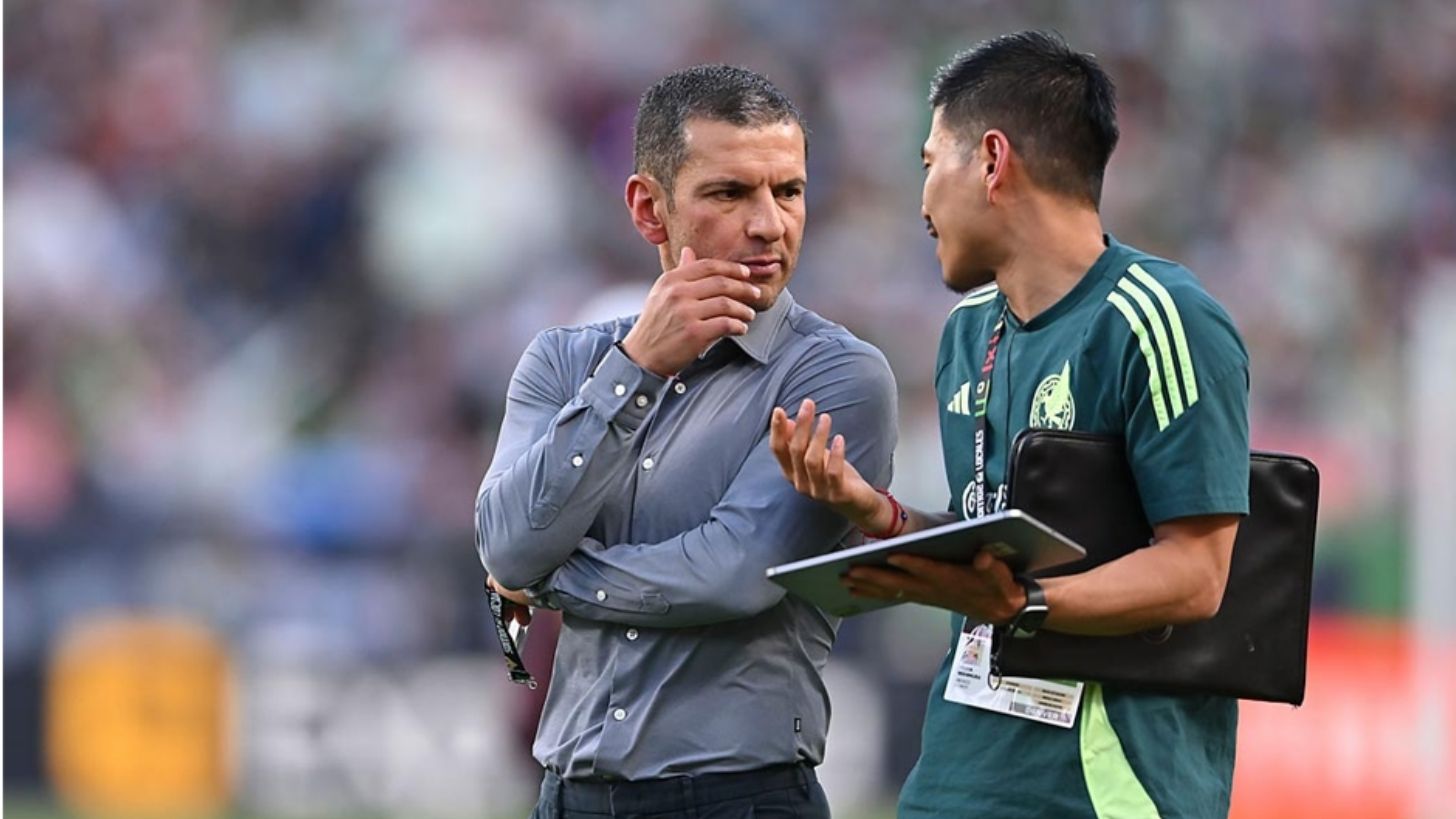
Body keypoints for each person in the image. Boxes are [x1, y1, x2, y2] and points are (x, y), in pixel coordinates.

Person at [771, 31, 1250, 818]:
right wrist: (879, 513)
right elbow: (993, 543)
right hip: (955, 776)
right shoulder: (968, 330)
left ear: (992, 161)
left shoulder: (1160, 318)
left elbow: (1197, 573)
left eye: (930, 164)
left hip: (1100, 784)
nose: (921, 203)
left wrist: (1022, 604)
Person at [475, 65, 897, 819]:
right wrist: (636, 368)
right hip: (568, 796)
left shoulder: (839, 374)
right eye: (730, 193)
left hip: (741, 798)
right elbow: (506, 544)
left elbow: (733, 575)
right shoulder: (562, 361)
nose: (769, 224)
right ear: (650, 209)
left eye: (788, 191)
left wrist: (546, 580)